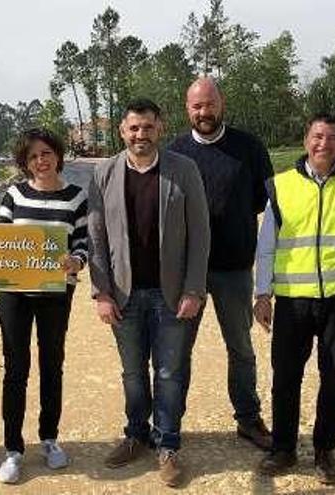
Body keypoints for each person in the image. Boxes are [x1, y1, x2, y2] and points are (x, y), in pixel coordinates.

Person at [88, 98, 210, 487]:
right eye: (133, 128)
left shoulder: (184, 169)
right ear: (122, 131)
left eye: (148, 127)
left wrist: (193, 288)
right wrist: (101, 293)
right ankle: (136, 434)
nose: (141, 135)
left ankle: (168, 445)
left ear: (160, 128)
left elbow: (200, 234)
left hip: (171, 294)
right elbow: (95, 237)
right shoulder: (104, 173)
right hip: (124, 295)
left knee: (170, 372)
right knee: (133, 373)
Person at [254, 113, 335, 485]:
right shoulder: (281, 186)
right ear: (306, 139)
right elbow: (267, 247)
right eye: (318, 136)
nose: (325, 144)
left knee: (333, 377)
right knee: (285, 377)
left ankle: (325, 451)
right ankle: (284, 448)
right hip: (293, 301)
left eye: (333, 137)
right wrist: (262, 293)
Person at [0, 127, 88, 484]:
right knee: (15, 369)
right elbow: (2, 241)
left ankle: (49, 440)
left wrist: (76, 262)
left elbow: (84, 242)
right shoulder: (14, 195)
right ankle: (14, 450)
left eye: (46, 153)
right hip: (15, 296)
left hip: (56, 294)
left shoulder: (76, 197)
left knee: (53, 365)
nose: (41, 161)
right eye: (33, 156)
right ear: (25, 161)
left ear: (57, 155)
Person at [168, 77, 274, 450]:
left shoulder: (249, 147)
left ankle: (248, 419)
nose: (204, 112)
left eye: (209, 104)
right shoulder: (175, 153)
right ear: (187, 109)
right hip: (185, 273)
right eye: (197, 106)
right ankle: (169, 423)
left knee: (240, 348)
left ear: (221, 104)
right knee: (178, 350)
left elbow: (266, 202)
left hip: (234, 268)